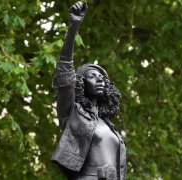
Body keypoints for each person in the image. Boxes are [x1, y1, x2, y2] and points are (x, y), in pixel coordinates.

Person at [52, 2, 126, 180]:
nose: (100, 79)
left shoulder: (109, 125)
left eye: (103, 78)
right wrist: (73, 27)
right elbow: (65, 73)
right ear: (81, 84)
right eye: (93, 76)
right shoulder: (72, 112)